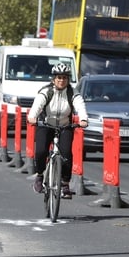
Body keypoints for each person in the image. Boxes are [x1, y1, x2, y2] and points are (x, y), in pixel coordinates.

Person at [27, 63, 88, 199]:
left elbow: (80, 105)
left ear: (68, 79)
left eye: (65, 78)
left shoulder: (73, 93)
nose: (61, 80)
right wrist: (32, 117)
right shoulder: (46, 91)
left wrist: (83, 119)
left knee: (66, 154)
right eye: (59, 77)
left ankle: (65, 184)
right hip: (46, 124)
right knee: (41, 151)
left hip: (65, 126)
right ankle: (40, 176)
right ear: (53, 79)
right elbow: (37, 105)